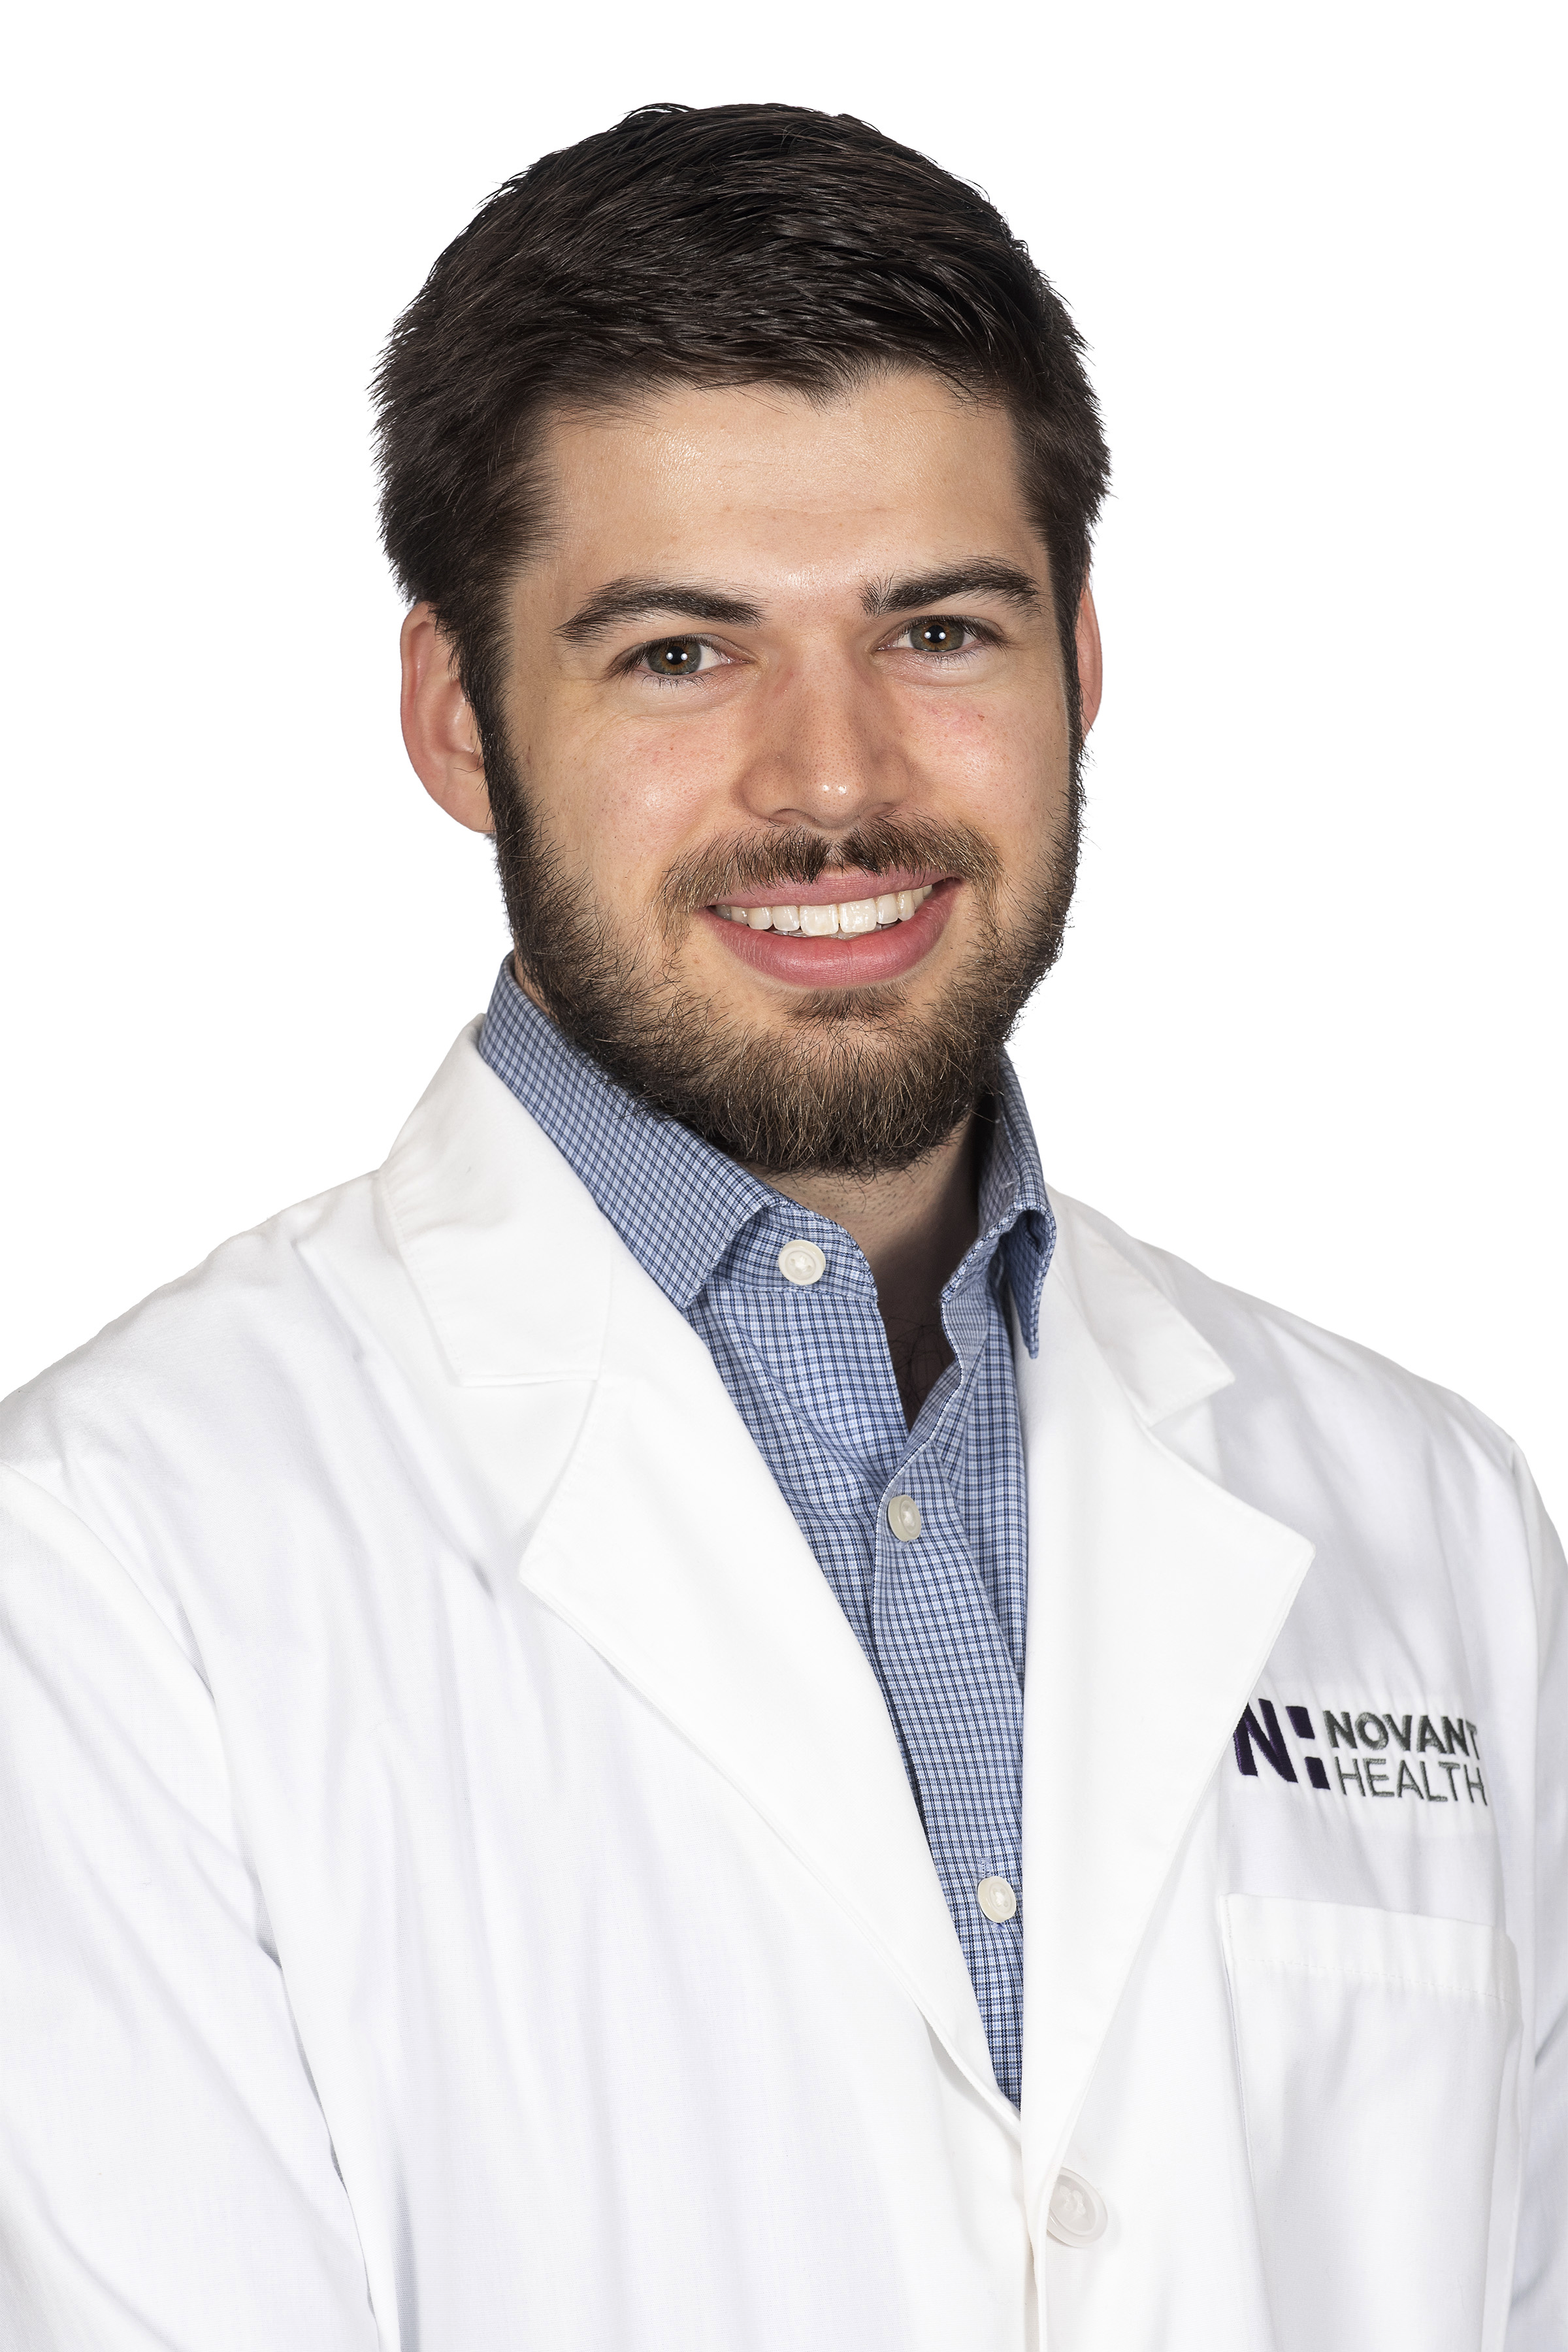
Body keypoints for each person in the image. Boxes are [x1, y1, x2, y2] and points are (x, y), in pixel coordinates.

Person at [0, 98, 1560, 2352]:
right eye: (679, 652)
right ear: (456, 715)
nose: (833, 782)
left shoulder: (1430, 1526)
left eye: (936, 627)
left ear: (1082, 666)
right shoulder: (113, 1574)